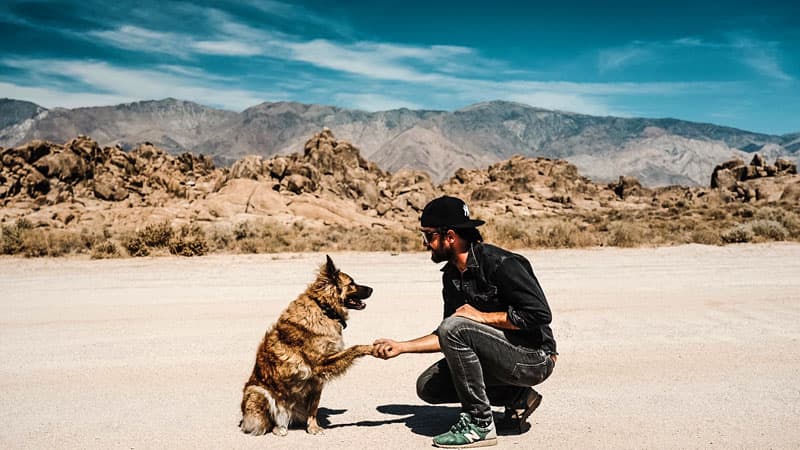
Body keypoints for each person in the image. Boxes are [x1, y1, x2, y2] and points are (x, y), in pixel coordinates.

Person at [373, 195, 557, 448]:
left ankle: (479, 424)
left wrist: (482, 317)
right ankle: (517, 396)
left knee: (456, 326)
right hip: (501, 358)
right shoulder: (451, 276)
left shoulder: (501, 264)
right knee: (428, 386)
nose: (425, 244)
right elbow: (448, 334)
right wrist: (402, 346)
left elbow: (539, 315)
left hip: (534, 358)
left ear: (449, 236)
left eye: (428, 236)